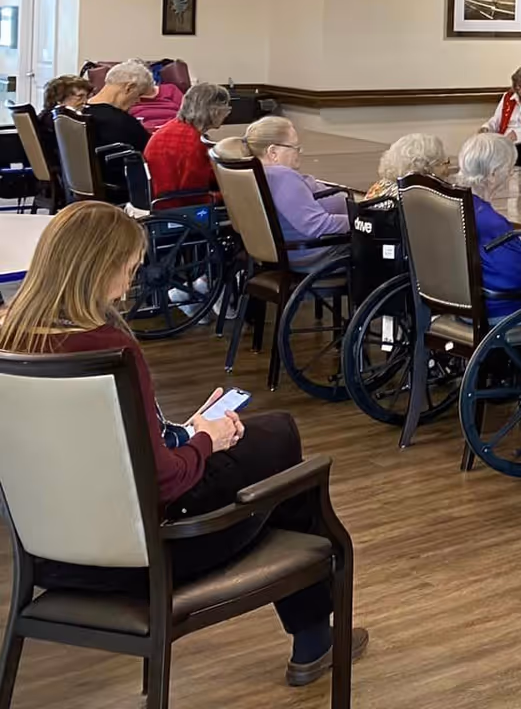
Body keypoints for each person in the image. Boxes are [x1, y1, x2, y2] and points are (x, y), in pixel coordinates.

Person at [0, 201, 369, 685]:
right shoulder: (108, 349)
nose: (130, 283)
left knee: (267, 441)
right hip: (151, 554)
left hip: (53, 556)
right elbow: (166, 481)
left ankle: (313, 636)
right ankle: (313, 634)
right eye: (128, 270)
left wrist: (183, 432)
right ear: (100, 268)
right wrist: (204, 442)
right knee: (282, 445)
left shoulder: (12, 341)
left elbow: (96, 449)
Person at [243, 117, 352, 268]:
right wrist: (358, 221)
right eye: (294, 147)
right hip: (311, 253)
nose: (299, 152)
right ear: (273, 152)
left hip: (282, 250)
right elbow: (317, 225)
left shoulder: (256, 174)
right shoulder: (281, 177)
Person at [449, 132, 521, 315]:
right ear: (492, 174)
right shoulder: (492, 223)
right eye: (509, 168)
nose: (512, 173)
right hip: (499, 311)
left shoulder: (450, 205)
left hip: (453, 305)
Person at [144, 81, 231, 201]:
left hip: (160, 198)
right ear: (215, 111)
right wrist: (230, 196)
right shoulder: (193, 142)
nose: (227, 115)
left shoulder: (172, 128)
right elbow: (194, 195)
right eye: (226, 109)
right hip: (175, 205)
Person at [83, 59, 156, 200]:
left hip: (89, 190)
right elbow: (151, 153)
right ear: (129, 88)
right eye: (139, 95)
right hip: (122, 191)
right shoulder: (122, 123)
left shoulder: (80, 114)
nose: (138, 102)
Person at [366, 133, 452, 199]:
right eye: (444, 163)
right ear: (425, 169)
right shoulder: (417, 199)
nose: (447, 171)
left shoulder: (380, 186)